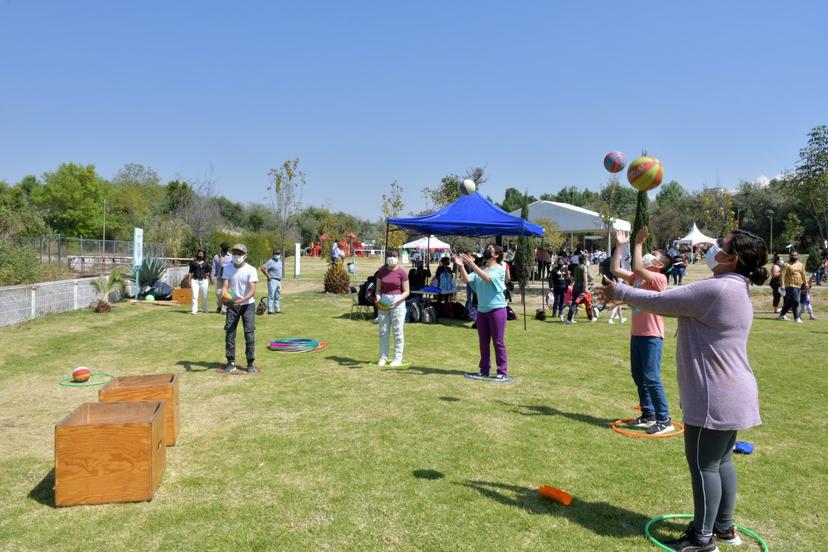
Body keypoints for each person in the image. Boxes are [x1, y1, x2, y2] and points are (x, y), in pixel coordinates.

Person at [598, 229, 769, 552]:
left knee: (705, 466)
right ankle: (724, 527)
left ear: (732, 258)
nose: (713, 248)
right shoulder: (736, 288)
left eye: (722, 246)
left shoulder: (718, 289)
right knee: (721, 464)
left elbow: (660, 301)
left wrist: (618, 291)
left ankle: (702, 539)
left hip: (714, 395)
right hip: (733, 391)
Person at [611, 227, 674, 435]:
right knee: (638, 376)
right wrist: (620, 246)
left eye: (653, 255)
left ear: (660, 265)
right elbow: (615, 269)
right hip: (636, 334)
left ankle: (664, 419)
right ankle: (648, 415)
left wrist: (638, 243)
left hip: (652, 336)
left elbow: (638, 267)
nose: (650, 255)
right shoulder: (639, 279)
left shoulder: (659, 279)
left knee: (651, 377)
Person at [454, 244, 509, 380]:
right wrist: (461, 266)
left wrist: (472, 265)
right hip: (482, 311)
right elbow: (467, 279)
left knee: (498, 342)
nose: (487, 250)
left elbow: (487, 278)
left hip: (497, 309)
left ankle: (502, 372)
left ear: (496, 255)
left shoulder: (499, 269)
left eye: (490, 249)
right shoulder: (482, 268)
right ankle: (484, 370)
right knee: (483, 342)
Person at [219, 244, 259, 374]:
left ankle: (250, 363)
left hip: (247, 305)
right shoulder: (227, 268)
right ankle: (230, 362)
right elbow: (225, 286)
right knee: (230, 333)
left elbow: (252, 290)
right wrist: (223, 296)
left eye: (239, 253)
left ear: (245, 256)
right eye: (235, 252)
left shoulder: (251, 270)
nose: (237, 255)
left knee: (249, 334)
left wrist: (242, 299)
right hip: (232, 305)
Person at [375, 248, 410, 366]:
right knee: (384, 330)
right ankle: (383, 357)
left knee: (397, 330)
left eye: (394, 256)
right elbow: (378, 290)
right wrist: (378, 298)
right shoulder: (381, 271)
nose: (392, 258)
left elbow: (407, 291)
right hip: (384, 302)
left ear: (398, 258)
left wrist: (397, 299)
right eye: (390, 256)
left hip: (398, 303)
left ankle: (398, 358)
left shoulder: (402, 272)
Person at [566, 253, 597, 324]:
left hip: (576, 288)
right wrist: (586, 288)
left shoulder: (576, 267)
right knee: (587, 303)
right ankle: (590, 318)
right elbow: (585, 278)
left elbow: (575, 278)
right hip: (582, 289)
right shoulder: (584, 267)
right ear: (584, 260)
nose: (587, 260)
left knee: (577, 303)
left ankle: (569, 319)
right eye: (586, 259)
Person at [778, 251, 807, 323]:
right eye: (792, 255)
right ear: (789, 256)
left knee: (789, 302)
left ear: (798, 256)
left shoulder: (800, 264)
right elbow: (782, 275)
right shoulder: (786, 265)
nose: (794, 257)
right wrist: (782, 285)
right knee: (796, 301)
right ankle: (797, 318)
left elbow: (803, 274)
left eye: (795, 255)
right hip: (790, 285)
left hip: (798, 286)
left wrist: (806, 283)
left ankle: (782, 315)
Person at [259, 249, 283, 314]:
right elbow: (262, 268)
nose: (277, 255)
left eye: (278, 254)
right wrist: (268, 276)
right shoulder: (270, 261)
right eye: (276, 254)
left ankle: (277, 309)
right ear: (273, 254)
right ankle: (270, 310)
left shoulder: (280, 261)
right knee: (271, 295)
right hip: (272, 280)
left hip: (278, 281)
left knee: (277, 296)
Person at [188, 249, 212, 314]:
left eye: (202, 254)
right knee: (194, 296)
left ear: (204, 255)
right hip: (195, 281)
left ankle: (204, 309)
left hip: (204, 281)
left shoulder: (206, 263)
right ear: (197, 254)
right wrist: (189, 280)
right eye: (200, 254)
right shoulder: (193, 263)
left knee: (204, 296)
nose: (201, 255)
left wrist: (210, 280)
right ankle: (194, 310)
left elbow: (208, 272)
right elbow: (190, 272)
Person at [212, 242, 232, 314]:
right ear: (221, 248)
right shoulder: (216, 257)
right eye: (224, 248)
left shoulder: (231, 256)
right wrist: (212, 277)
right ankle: (219, 306)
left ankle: (224, 309)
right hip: (220, 278)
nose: (225, 249)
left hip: (228, 278)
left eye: (226, 248)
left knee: (226, 293)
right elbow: (214, 268)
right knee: (218, 293)